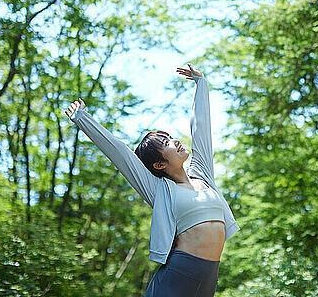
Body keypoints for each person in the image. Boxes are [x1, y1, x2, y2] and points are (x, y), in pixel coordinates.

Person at [64, 63, 239, 297]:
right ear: (158, 165)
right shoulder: (160, 190)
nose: (175, 141)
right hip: (178, 276)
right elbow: (120, 153)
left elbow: (202, 131)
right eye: (166, 143)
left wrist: (201, 85)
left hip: (209, 278)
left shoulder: (203, 174)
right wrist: (82, 119)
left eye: (170, 138)